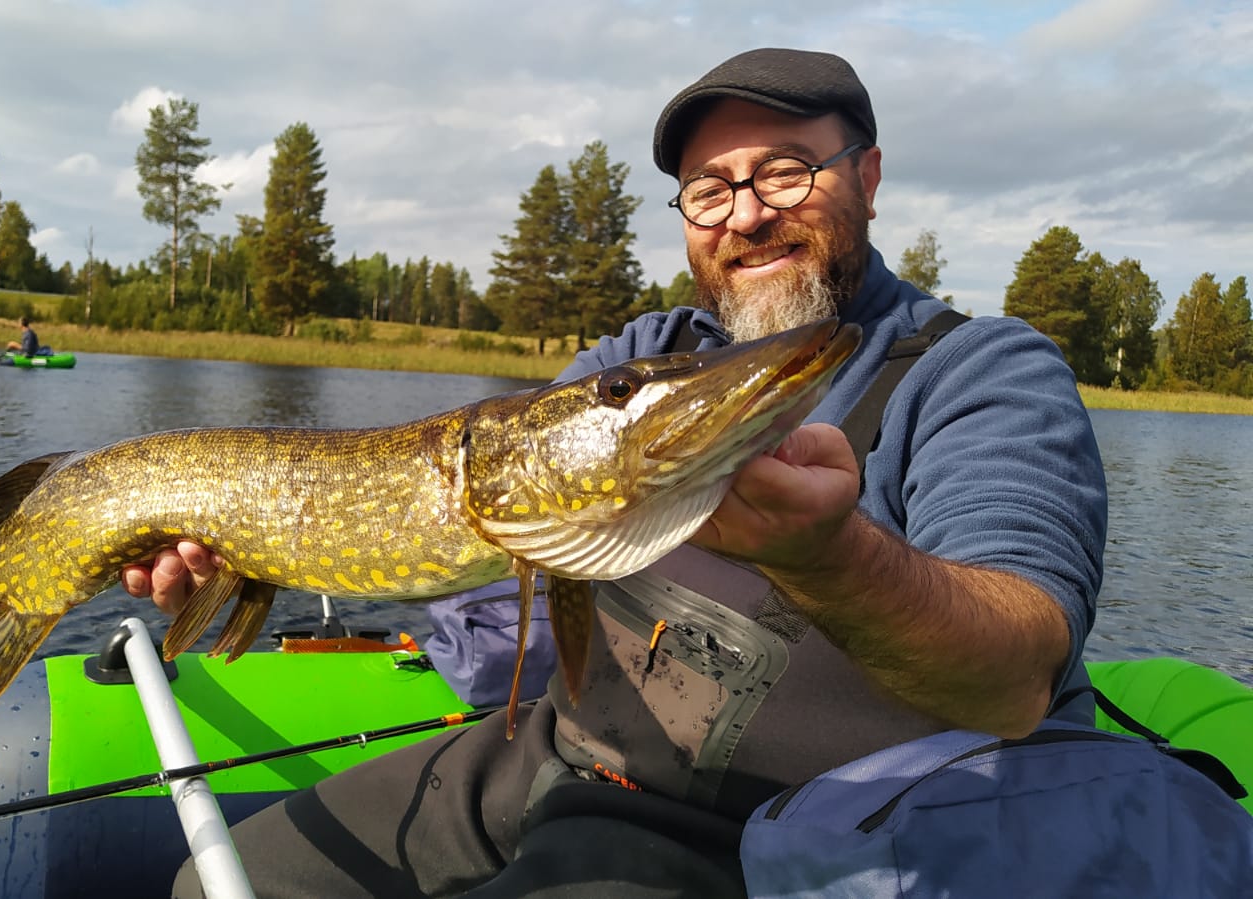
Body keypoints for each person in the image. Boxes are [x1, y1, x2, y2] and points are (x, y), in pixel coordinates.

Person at [124, 47, 1106, 897]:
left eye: (787, 171)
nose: (747, 215)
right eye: (711, 190)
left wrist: (830, 556)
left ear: (868, 175)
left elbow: (1016, 676)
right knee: (235, 875)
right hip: (569, 759)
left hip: (806, 831)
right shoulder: (639, 354)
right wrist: (257, 544)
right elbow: (488, 515)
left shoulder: (977, 369)